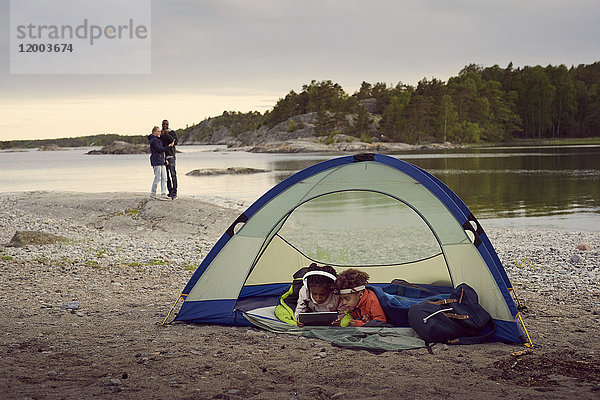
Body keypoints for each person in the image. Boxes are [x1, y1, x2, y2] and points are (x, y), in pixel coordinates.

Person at [148, 126, 173, 201]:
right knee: (157, 178)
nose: (160, 132)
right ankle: (153, 194)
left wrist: (165, 159)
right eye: (158, 131)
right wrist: (168, 146)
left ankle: (163, 193)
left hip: (161, 161)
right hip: (156, 161)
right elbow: (159, 149)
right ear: (154, 132)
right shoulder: (154, 140)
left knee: (164, 178)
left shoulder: (158, 140)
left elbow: (162, 151)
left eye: (160, 131)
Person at [160, 119, 178, 199]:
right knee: (166, 175)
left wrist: (167, 134)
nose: (165, 125)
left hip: (171, 156)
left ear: (168, 124)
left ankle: (174, 192)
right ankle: (170, 191)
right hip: (163, 156)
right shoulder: (160, 133)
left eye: (166, 124)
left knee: (173, 173)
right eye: (163, 124)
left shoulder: (172, 132)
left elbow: (175, 142)